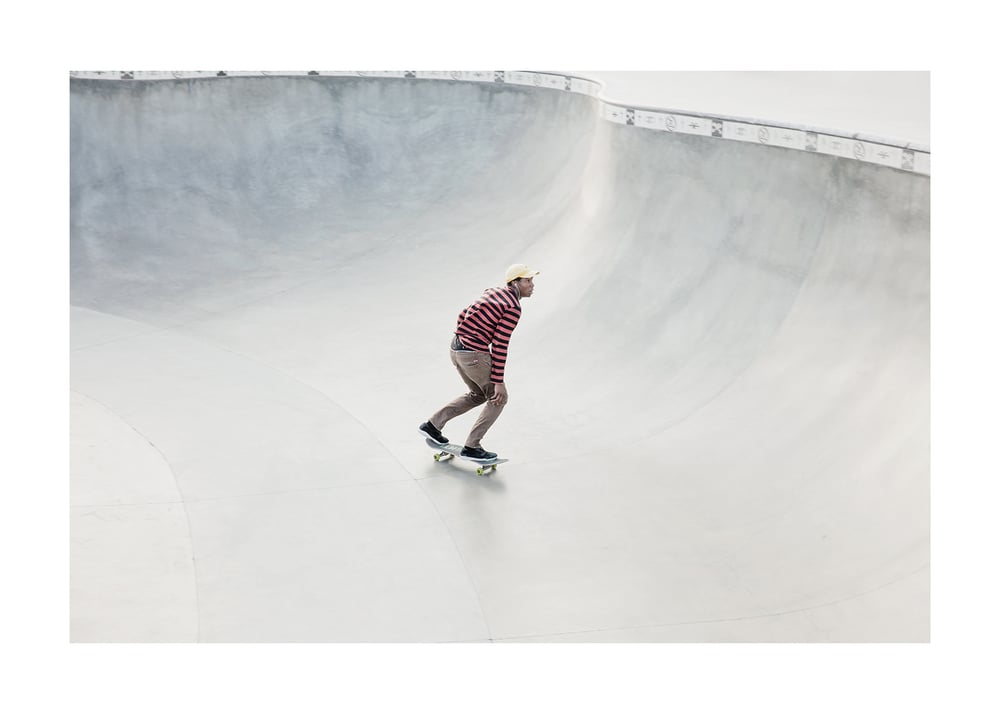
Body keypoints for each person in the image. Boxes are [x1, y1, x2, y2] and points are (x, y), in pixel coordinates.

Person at [419, 264, 540, 461]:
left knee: (478, 395)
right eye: (527, 281)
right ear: (515, 283)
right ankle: (472, 447)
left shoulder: (492, 292)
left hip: (456, 349)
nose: (532, 285)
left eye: (532, 280)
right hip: (474, 354)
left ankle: (432, 426)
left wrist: (464, 336)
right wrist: (498, 382)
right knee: (498, 398)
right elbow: (500, 344)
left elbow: (463, 313)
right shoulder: (512, 307)